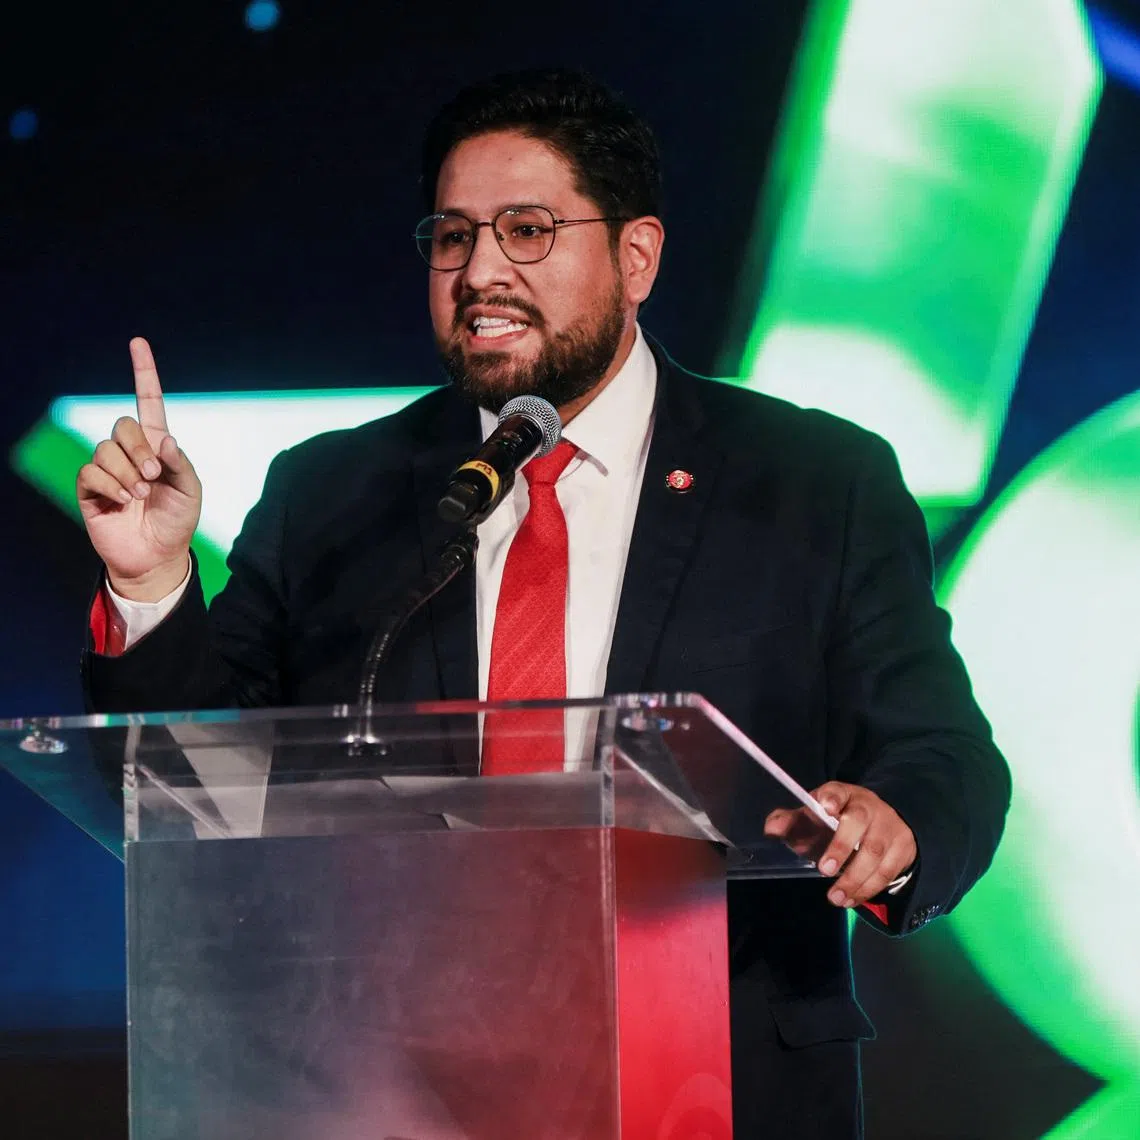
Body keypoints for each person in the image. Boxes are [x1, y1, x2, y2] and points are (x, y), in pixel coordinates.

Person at [75, 69, 1010, 1138]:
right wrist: (148, 583)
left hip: (718, 1078)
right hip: (394, 1089)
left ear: (637, 256)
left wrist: (898, 829)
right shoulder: (335, 492)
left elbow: (942, 754)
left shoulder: (811, 482)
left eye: (526, 230)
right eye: (451, 238)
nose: (481, 272)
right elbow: (196, 779)